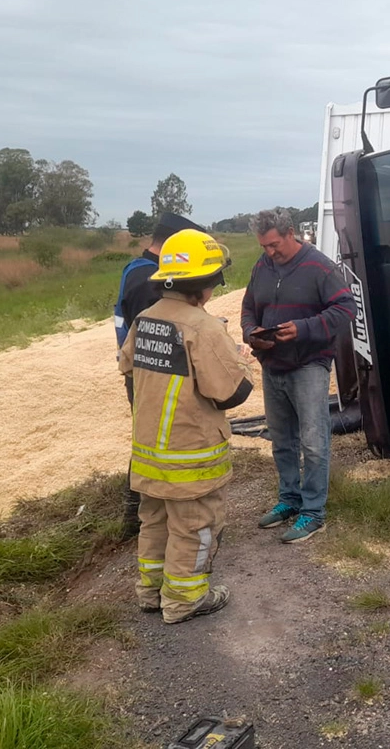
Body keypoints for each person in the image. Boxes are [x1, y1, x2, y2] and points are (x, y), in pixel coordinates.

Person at [119, 228, 253, 624]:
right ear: (207, 282)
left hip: (147, 451)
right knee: (195, 525)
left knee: (155, 520)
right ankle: (184, 600)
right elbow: (230, 392)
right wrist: (239, 356)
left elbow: (126, 364)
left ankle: (150, 592)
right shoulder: (204, 327)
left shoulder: (146, 319)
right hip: (189, 451)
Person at [240, 211, 356, 544]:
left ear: (292, 233)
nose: (270, 252)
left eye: (274, 244)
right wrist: (251, 332)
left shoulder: (320, 267)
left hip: (308, 365)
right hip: (272, 364)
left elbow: (346, 308)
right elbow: (249, 307)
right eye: (264, 246)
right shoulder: (262, 267)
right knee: (282, 441)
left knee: (313, 441)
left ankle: (314, 512)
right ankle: (289, 500)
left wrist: (303, 329)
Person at [113, 211, 203, 538]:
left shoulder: (137, 270)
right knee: (151, 441)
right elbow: (162, 331)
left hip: (144, 370)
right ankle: (136, 516)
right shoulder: (148, 280)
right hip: (149, 373)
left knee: (150, 438)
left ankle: (140, 513)